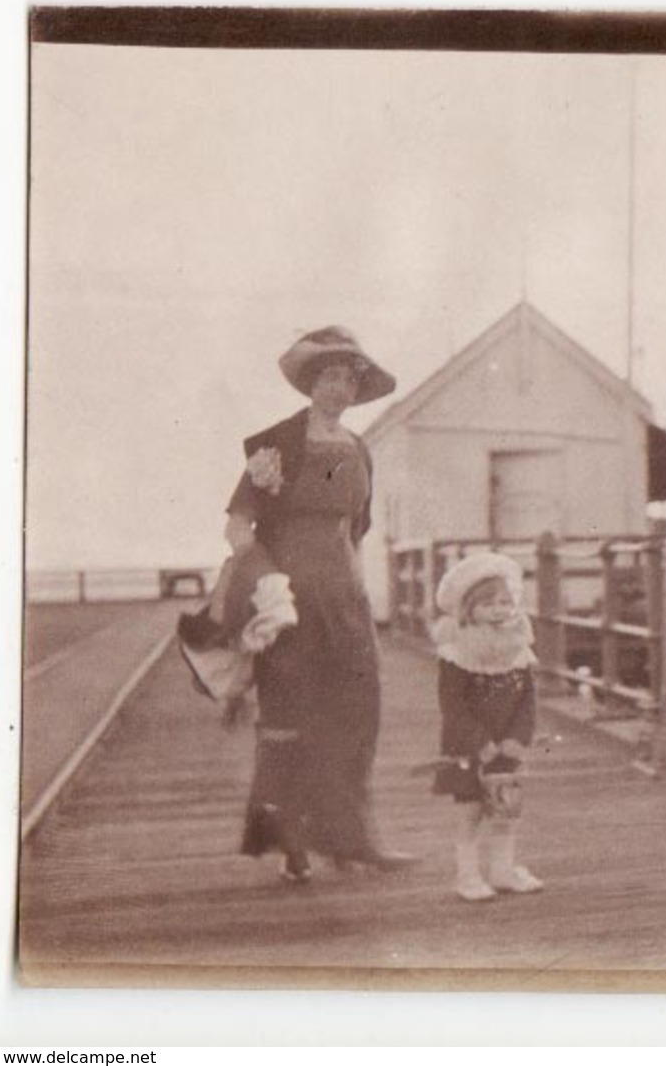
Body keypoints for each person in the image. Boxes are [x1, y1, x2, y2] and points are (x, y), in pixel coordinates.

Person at [223, 325, 415, 882]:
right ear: (311, 382)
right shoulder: (275, 444)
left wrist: (364, 607)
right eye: (329, 376)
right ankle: (292, 845)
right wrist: (263, 583)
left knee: (357, 713)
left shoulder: (357, 450)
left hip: (344, 601)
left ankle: (352, 840)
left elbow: (353, 534)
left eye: (348, 379)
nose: (339, 389)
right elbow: (238, 527)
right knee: (290, 718)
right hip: (285, 599)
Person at [430, 552, 544, 902]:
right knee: (471, 812)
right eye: (488, 603)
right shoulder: (456, 653)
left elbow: (527, 700)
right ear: (468, 608)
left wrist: (516, 738)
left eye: (505, 602)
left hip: (506, 748)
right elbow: (453, 706)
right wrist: (480, 742)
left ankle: (502, 869)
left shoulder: (517, 649)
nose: (499, 609)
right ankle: (468, 875)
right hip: (469, 747)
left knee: (505, 810)